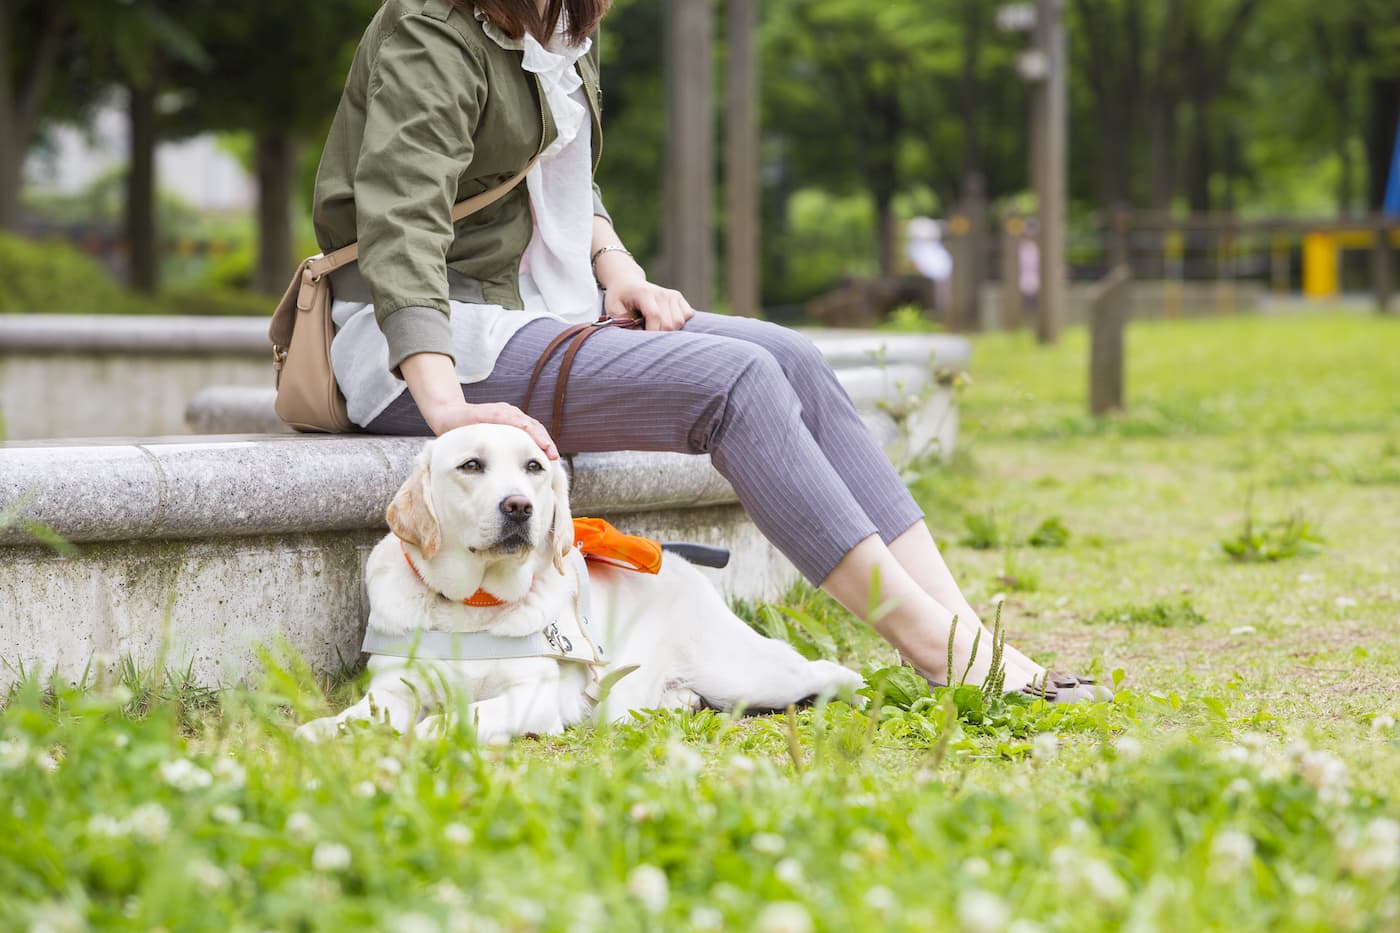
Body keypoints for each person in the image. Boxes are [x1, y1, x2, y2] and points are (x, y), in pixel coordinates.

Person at [312, 0, 1107, 702]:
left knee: (792, 357)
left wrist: (618, 271)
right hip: (428, 346)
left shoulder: (562, 21)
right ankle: (936, 649)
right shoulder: (431, 26)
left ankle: (966, 632)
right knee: (735, 382)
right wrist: (444, 406)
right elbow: (402, 223)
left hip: (543, 316)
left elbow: (561, 184)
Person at [906, 217, 952, 313]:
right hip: (928, 278)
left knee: (940, 299)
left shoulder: (928, 246)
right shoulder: (917, 246)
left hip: (938, 277)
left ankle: (939, 312)